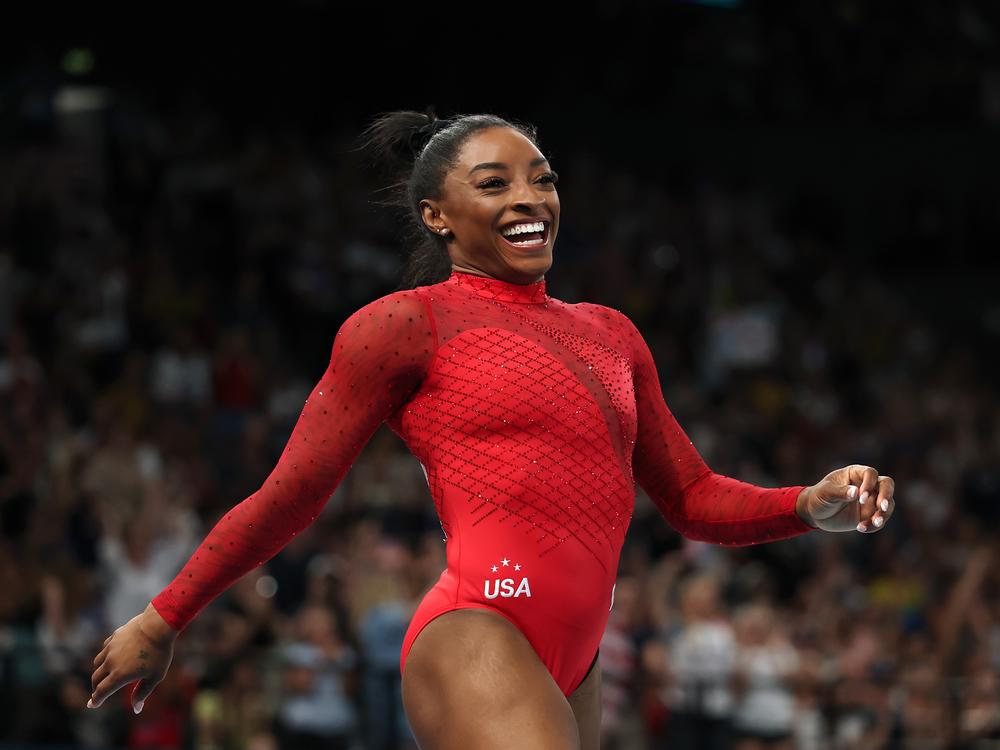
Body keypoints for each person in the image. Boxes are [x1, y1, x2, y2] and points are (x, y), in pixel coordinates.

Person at [88, 108, 898, 750]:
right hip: (478, 628)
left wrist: (805, 504)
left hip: (575, 663)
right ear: (438, 214)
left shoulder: (612, 333)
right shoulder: (403, 326)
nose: (529, 199)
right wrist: (163, 618)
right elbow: (293, 495)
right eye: (495, 183)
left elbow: (689, 496)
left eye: (541, 180)